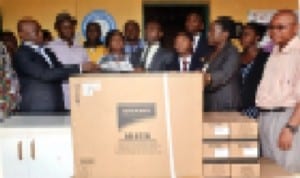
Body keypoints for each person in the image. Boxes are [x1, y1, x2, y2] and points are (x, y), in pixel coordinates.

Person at [13, 18, 95, 112]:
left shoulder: (47, 51)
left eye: (40, 29)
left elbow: (59, 69)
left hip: (57, 105)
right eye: (36, 31)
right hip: (37, 108)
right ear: (22, 35)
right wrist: (80, 68)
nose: (41, 33)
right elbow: (44, 74)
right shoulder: (21, 54)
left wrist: (83, 67)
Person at [256, 10, 300, 173]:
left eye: (281, 27)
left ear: (296, 28)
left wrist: (291, 128)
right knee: (271, 168)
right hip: (266, 117)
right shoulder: (274, 52)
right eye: (272, 27)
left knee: (288, 170)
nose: (274, 31)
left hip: (286, 119)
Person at [48, 12, 91, 110]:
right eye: (64, 27)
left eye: (71, 27)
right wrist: (78, 68)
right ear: (57, 29)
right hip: (59, 96)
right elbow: (52, 71)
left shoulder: (81, 48)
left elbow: (87, 70)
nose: (69, 30)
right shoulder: (50, 47)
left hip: (80, 96)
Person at [203, 16, 241, 111]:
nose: (208, 34)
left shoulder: (232, 52)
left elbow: (225, 73)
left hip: (225, 104)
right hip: (211, 103)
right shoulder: (212, 53)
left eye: (212, 31)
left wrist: (207, 77)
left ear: (225, 34)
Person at [239, 22, 269, 118]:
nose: (242, 37)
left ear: (257, 37)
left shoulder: (266, 58)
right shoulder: (237, 57)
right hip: (238, 106)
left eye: (246, 34)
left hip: (256, 108)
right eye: (241, 34)